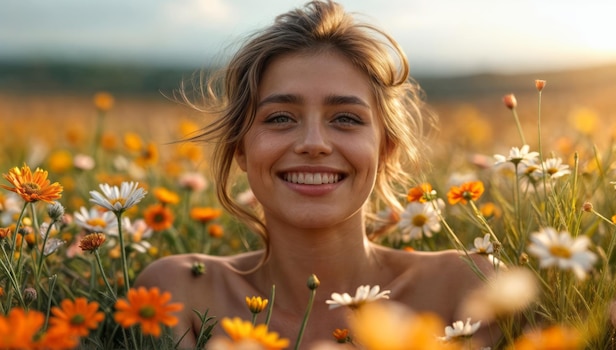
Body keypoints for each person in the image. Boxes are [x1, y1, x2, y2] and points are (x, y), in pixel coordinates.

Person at [135, 0, 500, 348]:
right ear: (240, 148)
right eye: (280, 118)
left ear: (386, 149)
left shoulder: (473, 284)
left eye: (345, 118)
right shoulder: (177, 290)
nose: (314, 143)